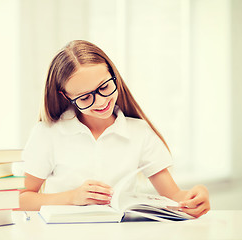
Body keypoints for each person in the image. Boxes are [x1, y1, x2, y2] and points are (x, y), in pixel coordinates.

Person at [19, 40, 210, 218]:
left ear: (114, 75)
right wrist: (72, 197)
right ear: (65, 96)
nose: (101, 102)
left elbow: (175, 195)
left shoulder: (139, 132)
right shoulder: (48, 133)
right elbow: (20, 198)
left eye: (104, 87)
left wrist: (195, 196)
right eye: (84, 98)